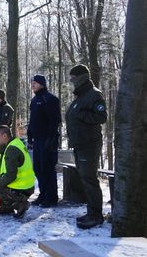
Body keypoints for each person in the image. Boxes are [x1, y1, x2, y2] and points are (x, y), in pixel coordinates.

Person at [65, 64, 107, 229]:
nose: (71, 81)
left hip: (89, 144)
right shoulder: (81, 96)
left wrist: (80, 115)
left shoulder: (94, 95)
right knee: (85, 179)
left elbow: (101, 116)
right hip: (79, 144)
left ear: (81, 78)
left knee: (90, 180)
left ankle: (96, 215)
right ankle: (91, 212)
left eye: (73, 78)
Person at [27, 75, 61, 208]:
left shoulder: (50, 99)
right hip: (37, 140)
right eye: (32, 83)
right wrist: (30, 136)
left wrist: (50, 138)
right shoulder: (34, 100)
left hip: (48, 139)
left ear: (42, 84)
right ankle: (43, 194)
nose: (33, 85)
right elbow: (32, 120)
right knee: (37, 168)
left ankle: (51, 197)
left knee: (47, 168)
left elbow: (55, 120)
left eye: (35, 83)